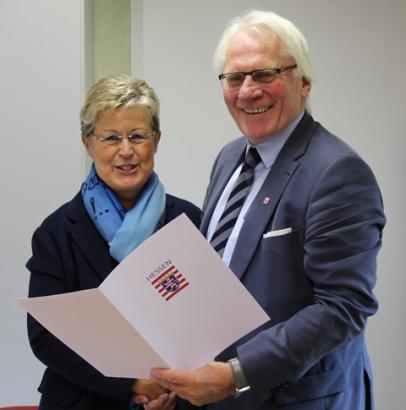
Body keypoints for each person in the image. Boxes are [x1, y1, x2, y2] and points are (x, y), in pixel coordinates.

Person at [149, 10, 386, 410]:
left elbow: (343, 307)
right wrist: (181, 381)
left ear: (304, 83)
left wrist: (237, 375)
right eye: (234, 78)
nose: (247, 91)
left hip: (297, 398)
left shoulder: (337, 172)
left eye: (264, 74)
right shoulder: (228, 159)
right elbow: (220, 278)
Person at [26, 74, 202, 410]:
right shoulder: (56, 233)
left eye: (138, 136)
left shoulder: (190, 222)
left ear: (157, 140)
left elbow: (209, 319)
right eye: (110, 138)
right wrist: (133, 384)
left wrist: (173, 389)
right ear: (87, 143)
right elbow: (45, 337)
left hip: (178, 400)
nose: (126, 151)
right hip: (82, 401)